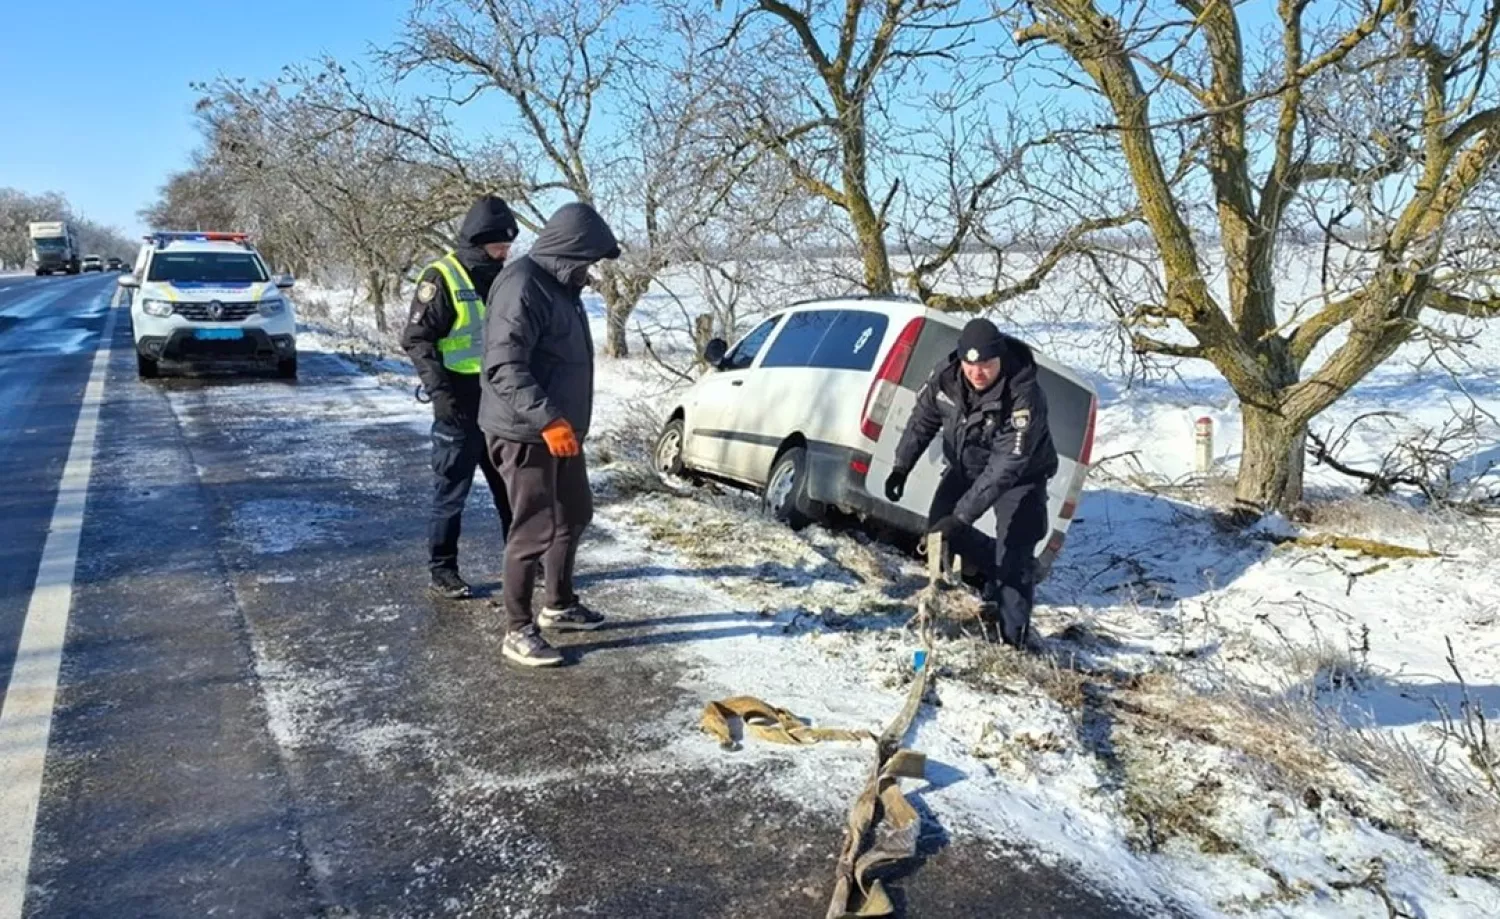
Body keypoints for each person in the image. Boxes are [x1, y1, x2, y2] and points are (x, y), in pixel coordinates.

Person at [479, 201, 620, 667]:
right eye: (588, 260)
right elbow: (503, 366)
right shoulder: (523, 285)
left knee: (574, 513)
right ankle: (517, 629)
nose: (591, 269)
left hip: (560, 431)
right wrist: (549, 420)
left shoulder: (562, 286)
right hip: (525, 431)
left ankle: (558, 603)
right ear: (569, 251)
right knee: (534, 528)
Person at [884, 318, 1059, 648]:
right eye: (970, 364)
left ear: (1000, 359)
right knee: (939, 531)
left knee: (1015, 558)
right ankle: (988, 574)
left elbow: (1005, 468)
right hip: (967, 466)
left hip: (1021, 477)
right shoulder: (947, 377)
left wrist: (962, 517)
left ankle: (1012, 641)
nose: (977, 373)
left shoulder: (1024, 396)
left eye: (986, 365)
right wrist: (901, 466)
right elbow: (923, 419)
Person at [402, 195, 520, 599]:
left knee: (511, 488)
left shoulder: (505, 276)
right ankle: (443, 569)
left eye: (508, 247)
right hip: (457, 399)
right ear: (477, 241)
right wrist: (441, 395)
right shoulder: (441, 277)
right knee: (452, 491)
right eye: (498, 246)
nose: (505, 253)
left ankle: (521, 561)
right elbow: (417, 341)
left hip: (499, 400)